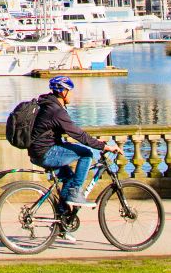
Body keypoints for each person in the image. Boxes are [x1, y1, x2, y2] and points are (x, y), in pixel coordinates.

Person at [27, 75, 113, 220]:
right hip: (46, 152)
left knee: (68, 177)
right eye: (70, 90)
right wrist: (101, 146)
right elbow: (77, 133)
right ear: (62, 92)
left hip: (40, 151)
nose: (72, 94)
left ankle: (62, 220)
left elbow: (72, 132)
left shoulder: (49, 106)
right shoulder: (56, 111)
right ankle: (75, 192)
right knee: (86, 153)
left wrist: (95, 141)